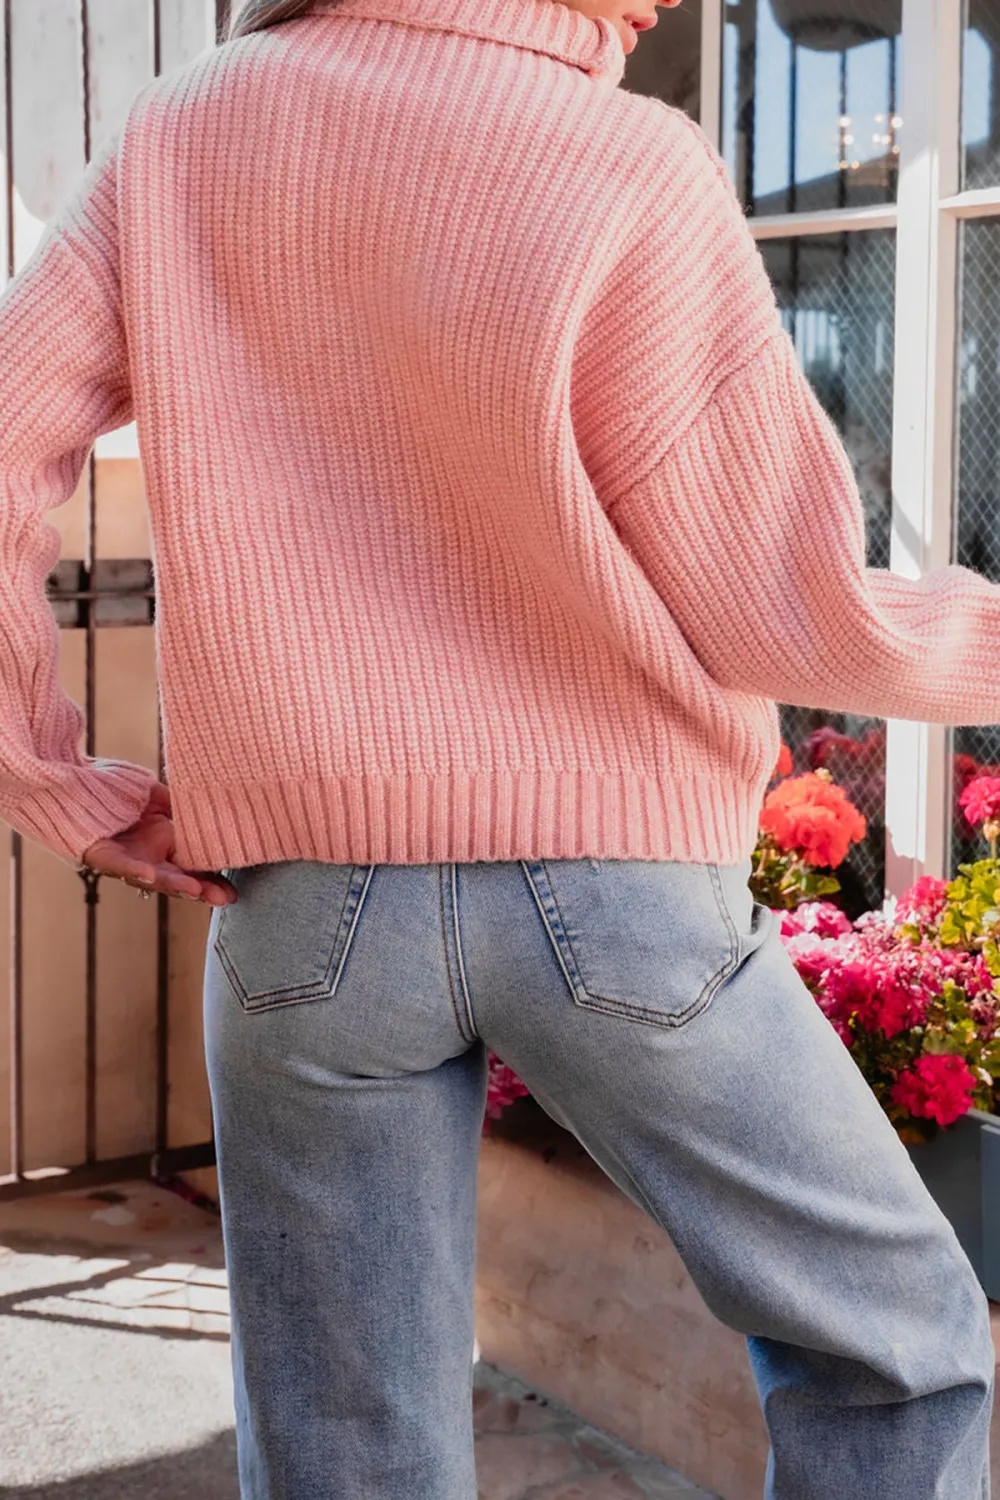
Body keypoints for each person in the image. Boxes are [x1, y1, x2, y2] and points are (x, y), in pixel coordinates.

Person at [0, 0, 997, 1494]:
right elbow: (783, 605)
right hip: (619, 903)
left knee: (349, 1451)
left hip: (306, 913)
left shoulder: (188, 127)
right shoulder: (629, 161)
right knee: (900, 1342)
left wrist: (55, 782)